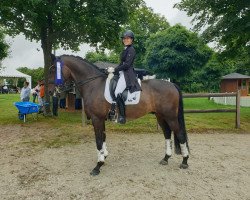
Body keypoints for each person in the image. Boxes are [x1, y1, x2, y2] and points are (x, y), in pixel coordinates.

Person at [113, 30, 141, 124]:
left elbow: (127, 65)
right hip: (122, 72)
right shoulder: (125, 50)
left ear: (132, 40)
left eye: (128, 38)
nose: (126, 40)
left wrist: (115, 70)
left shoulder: (131, 50)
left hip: (127, 74)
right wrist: (113, 70)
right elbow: (121, 63)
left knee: (117, 92)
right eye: (124, 38)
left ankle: (122, 116)